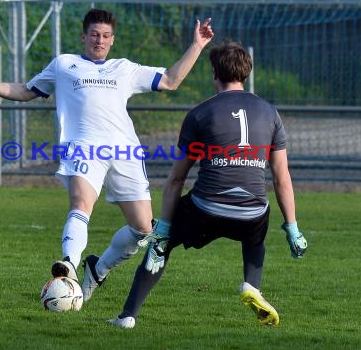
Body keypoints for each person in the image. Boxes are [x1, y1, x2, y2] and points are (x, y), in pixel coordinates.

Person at [0, 8, 214, 302]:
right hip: (83, 147)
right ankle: (69, 263)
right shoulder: (64, 65)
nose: (100, 40)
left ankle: (97, 268)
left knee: (143, 228)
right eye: (94, 35)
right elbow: (25, 90)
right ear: (84, 36)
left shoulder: (124, 68)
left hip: (124, 153)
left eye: (106, 36)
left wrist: (197, 45)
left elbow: (171, 80)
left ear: (112, 40)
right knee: (81, 203)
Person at [109, 40, 308, 329]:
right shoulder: (270, 112)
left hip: (207, 208)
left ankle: (127, 316)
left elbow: (177, 177)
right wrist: (292, 227)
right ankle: (252, 285)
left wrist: (163, 228)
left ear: (215, 74)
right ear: (246, 72)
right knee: (256, 230)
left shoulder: (200, 114)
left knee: (160, 247)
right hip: (251, 213)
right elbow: (281, 178)